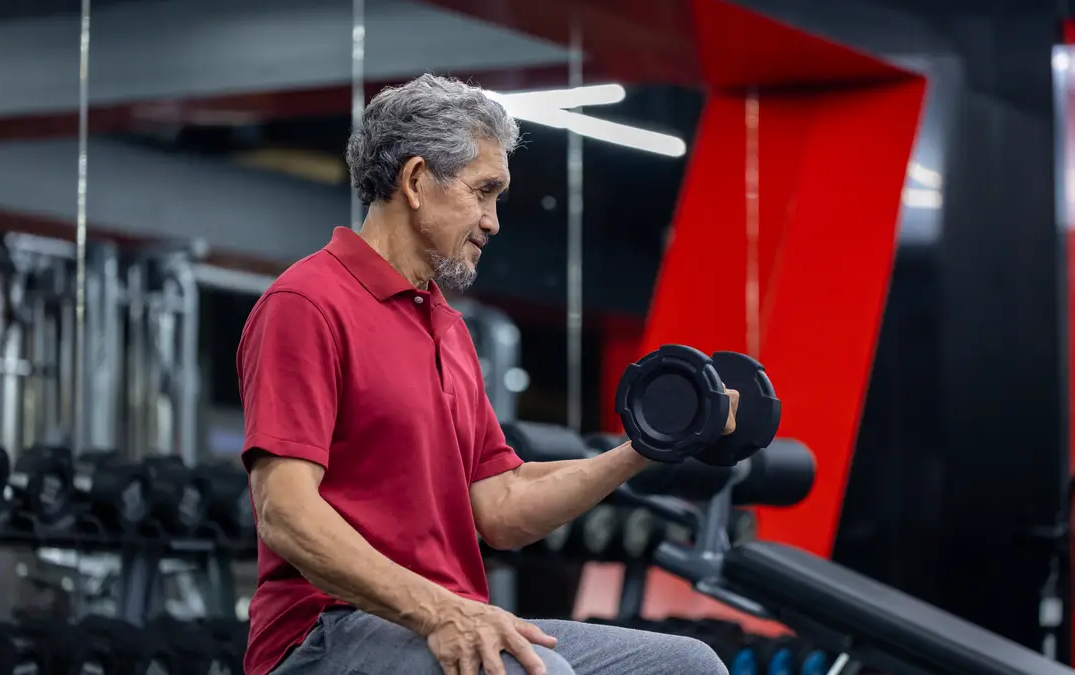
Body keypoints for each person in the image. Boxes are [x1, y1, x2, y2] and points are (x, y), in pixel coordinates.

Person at [237, 73, 739, 675]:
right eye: (484, 192)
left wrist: (644, 450)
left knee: (688, 666)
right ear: (417, 181)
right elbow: (285, 512)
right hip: (326, 632)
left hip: (445, 618)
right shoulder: (308, 303)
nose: (493, 220)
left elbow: (500, 507)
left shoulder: (446, 327)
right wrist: (440, 613)